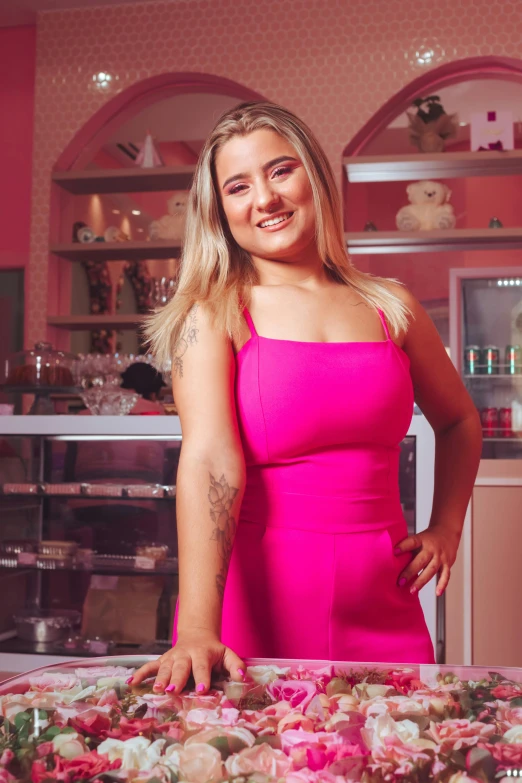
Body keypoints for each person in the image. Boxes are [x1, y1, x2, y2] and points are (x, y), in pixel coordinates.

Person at [130, 102, 482, 694]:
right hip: (255, 600)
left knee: (395, 756)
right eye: (238, 186)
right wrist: (196, 627)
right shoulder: (211, 312)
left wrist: (447, 526)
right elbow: (210, 459)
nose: (264, 198)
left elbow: (459, 420)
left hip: (384, 597)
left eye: (280, 170)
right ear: (220, 211)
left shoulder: (391, 306)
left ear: (313, 175)